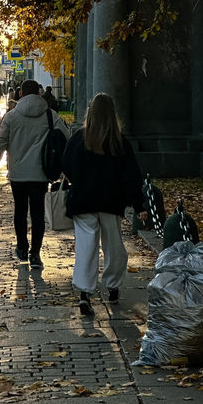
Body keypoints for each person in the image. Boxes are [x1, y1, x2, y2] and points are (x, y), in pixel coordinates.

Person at [62, 92, 147, 316]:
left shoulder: (79, 139)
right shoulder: (119, 142)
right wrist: (139, 205)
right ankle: (113, 285)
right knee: (114, 246)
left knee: (86, 246)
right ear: (112, 114)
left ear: (90, 112)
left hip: (83, 201)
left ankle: (84, 292)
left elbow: (67, 167)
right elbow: (131, 176)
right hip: (110, 202)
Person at [0, 79, 70, 268]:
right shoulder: (51, 116)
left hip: (17, 174)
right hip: (41, 174)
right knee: (37, 214)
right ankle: (35, 254)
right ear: (39, 93)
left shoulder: (11, 116)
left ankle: (22, 247)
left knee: (20, 211)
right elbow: (67, 139)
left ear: (20, 94)